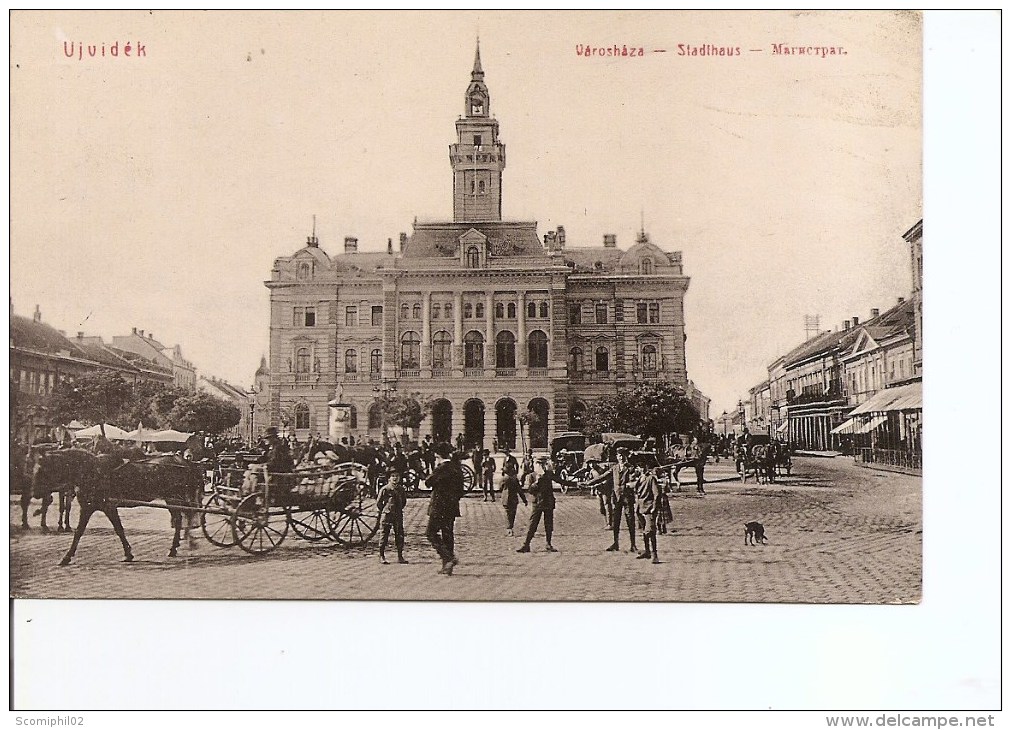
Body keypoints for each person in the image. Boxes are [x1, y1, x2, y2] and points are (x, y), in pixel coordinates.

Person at [516, 457, 576, 553]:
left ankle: (548, 544)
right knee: (533, 524)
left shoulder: (548, 475)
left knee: (548, 524)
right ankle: (526, 544)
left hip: (548, 502)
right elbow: (530, 490)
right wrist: (536, 482)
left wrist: (575, 484)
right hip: (537, 503)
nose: (542, 466)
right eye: (540, 464)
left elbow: (561, 481)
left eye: (544, 464)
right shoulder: (532, 476)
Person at [425, 443, 465, 575]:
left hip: (438, 507)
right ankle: (447, 567)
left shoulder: (441, 468)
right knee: (447, 534)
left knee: (430, 533)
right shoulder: (457, 468)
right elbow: (461, 490)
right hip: (452, 507)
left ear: (438, 455)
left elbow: (428, 482)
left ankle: (448, 558)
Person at [605, 448, 637, 553]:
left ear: (626, 456)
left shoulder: (631, 468)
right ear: (617, 457)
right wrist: (589, 483)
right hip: (617, 498)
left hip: (628, 498)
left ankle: (633, 544)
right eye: (619, 455)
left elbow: (634, 480)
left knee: (630, 521)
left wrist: (631, 483)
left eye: (623, 455)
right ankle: (615, 543)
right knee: (616, 521)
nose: (621, 457)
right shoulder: (614, 468)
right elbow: (603, 477)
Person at [376, 472, 409, 565]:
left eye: (397, 476)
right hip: (387, 515)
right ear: (389, 478)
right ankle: (381, 555)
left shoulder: (401, 489)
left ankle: (400, 556)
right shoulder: (385, 489)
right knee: (384, 534)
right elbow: (379, 503)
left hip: (398, 514)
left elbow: (403, 502)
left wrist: (398, 509)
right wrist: (385, 510)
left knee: (399, 534)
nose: (395, 478)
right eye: (393, 476)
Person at [634, 466, 662, 564]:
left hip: (649, 508)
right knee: (643, 530)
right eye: (638, 467)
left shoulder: (651, 478)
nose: (640, 469)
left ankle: (655, 554)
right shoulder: (638, 478)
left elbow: (656, 494)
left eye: (642, 467)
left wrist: (654, 507)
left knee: (650, 531)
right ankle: (647, 551)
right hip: (639, 508)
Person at [499, 464, 527, 536]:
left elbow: (500, 488)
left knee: (507, 513)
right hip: (514, 499)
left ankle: (509, 529)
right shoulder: (515, 479)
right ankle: (511, 527)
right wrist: (524, 500)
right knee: (512, 514)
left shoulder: (503, 479)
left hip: (506, 499)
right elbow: (519, 490)